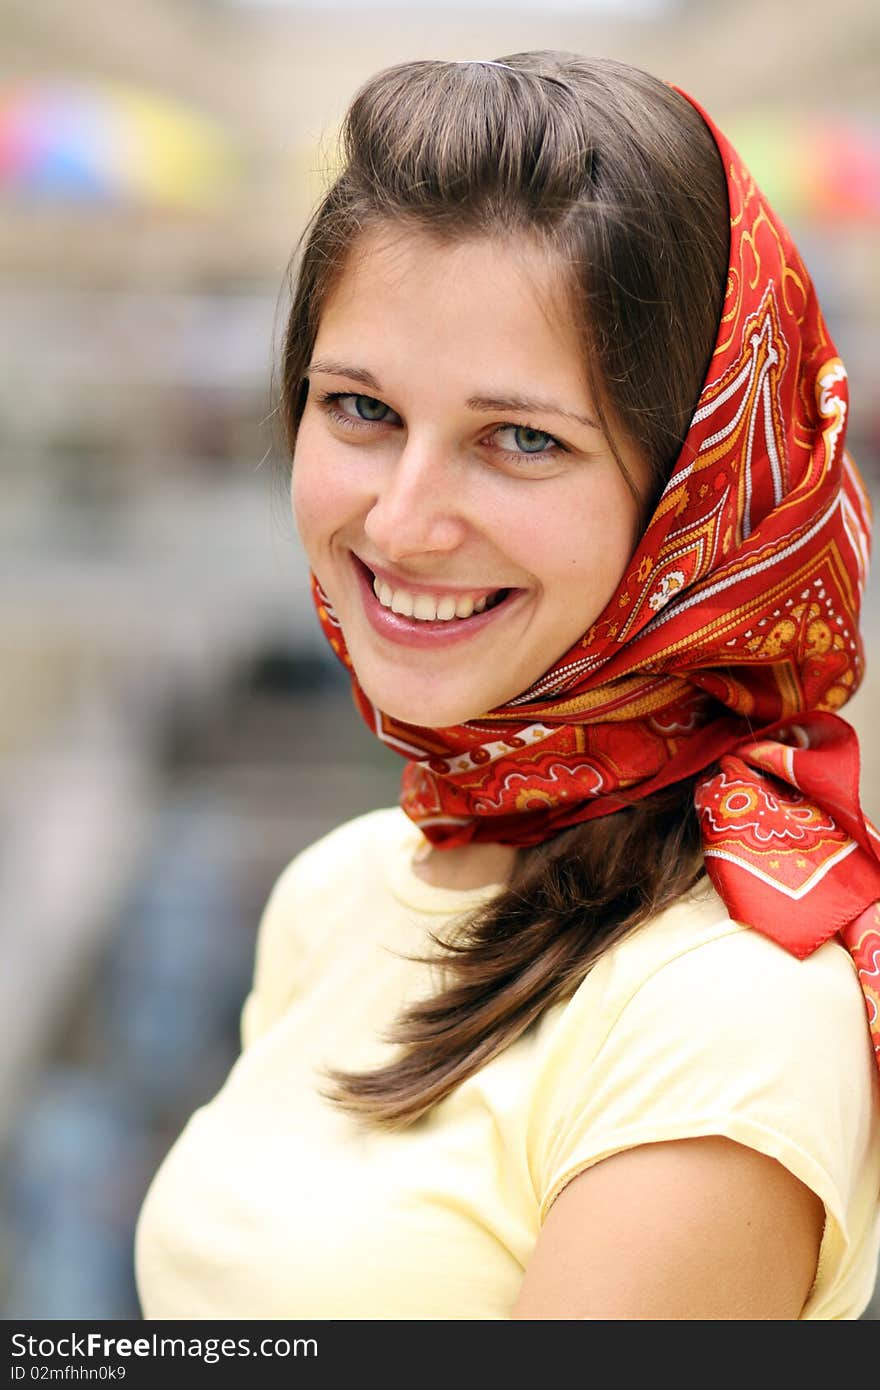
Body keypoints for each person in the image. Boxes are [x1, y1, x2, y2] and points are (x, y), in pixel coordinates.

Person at [134, 52, 880, 1320]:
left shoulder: (723, 1014)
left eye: (521, 438)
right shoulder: (344, 887)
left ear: (691, 500)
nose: (404, 518)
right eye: (360, 407)